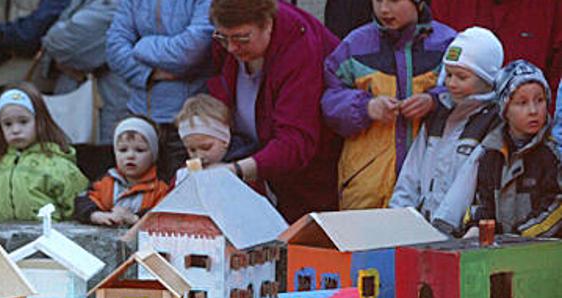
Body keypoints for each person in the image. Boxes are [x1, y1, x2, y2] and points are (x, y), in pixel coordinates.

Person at [207, 0, 340, 222]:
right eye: (223, 38)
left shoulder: (300, 47)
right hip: (255, 156)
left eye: (241, 38)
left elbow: (296, 141)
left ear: (268, 25)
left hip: (312, 176)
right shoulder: (229, 41)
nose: (231, 48)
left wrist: (236, 170)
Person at [322, 0, 456, 210]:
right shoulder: (354, 45)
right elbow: (330, 100)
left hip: (430, 186)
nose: (384, 9)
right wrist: (365, 108)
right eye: (377, 0)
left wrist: (433, 101)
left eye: (393, 0)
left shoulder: (448, 44)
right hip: (366, 186)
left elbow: (471, 94)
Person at [390, 27, 504, 235]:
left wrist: (443, 228)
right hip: (418, 230)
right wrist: (397, 217)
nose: (451, 83)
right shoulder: (437, 116)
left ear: (486, 78)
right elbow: (411, 173)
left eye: (461, 77)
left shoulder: (492, 123)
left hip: (459, 235)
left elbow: (467, 185)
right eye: (448, 74)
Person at [106, 0, 214, 181]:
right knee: (139, 197)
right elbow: (114, 48)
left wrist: (142, 44)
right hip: (140, 118)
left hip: (187, 124)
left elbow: (190, 51)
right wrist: (150, 73)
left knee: (184, 192)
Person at [468, 61, 562, 237]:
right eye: (522, 103)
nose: (533, 110)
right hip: (501, 253)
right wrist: (476, 229)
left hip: (543, 252)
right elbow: (482, 202)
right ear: (505, 110)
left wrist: (521, 237)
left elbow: (557, 208)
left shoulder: (553, 153)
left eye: (540, 100)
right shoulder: (491, 153)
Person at [0, 83, 88, 222]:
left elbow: (77, 207)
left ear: (40, 121)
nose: (15, 130)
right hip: (4, 239)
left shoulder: (57, 165)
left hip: (47, 239)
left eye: (23, 121)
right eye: (8, 124)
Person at [40, 0, 129, 146]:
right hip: (78, 112)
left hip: (110, 110)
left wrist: (53, 35)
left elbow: (62, 42)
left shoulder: (119, 5)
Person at [433, 0, 562, 99]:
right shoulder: (447, 5)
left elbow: (555, 81)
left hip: (528, 127)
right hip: (454, 123)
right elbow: (432, 72)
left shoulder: (552, 7)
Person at [75, 116, 169, 226]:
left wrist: (135, 218)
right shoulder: (105, 182)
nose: (130, 156)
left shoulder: (161, 188)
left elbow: (165, 217)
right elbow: (82, 202)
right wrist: (96, 215)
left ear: (154, 155)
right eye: (123, 150)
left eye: (139, 150)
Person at [172, 94, 233, 185]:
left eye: (206, 147)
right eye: (192, 150)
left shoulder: (243, 169)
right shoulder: (184, 175)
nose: (199, 156)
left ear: (225, 141)